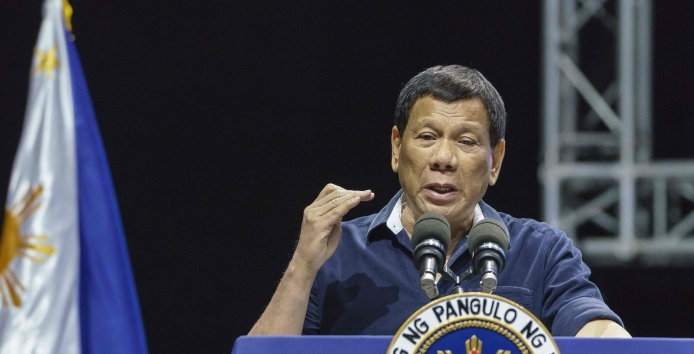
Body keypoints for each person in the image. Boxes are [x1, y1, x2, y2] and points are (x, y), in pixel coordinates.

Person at [250, 65, 629, 338]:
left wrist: (619, 346)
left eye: (466, 142)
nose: (443, 159)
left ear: (495, 160)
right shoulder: (337, 251)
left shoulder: (540, 252)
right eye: (427, 137)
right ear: (397, 148)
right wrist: (302, 265)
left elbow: (593, 329)